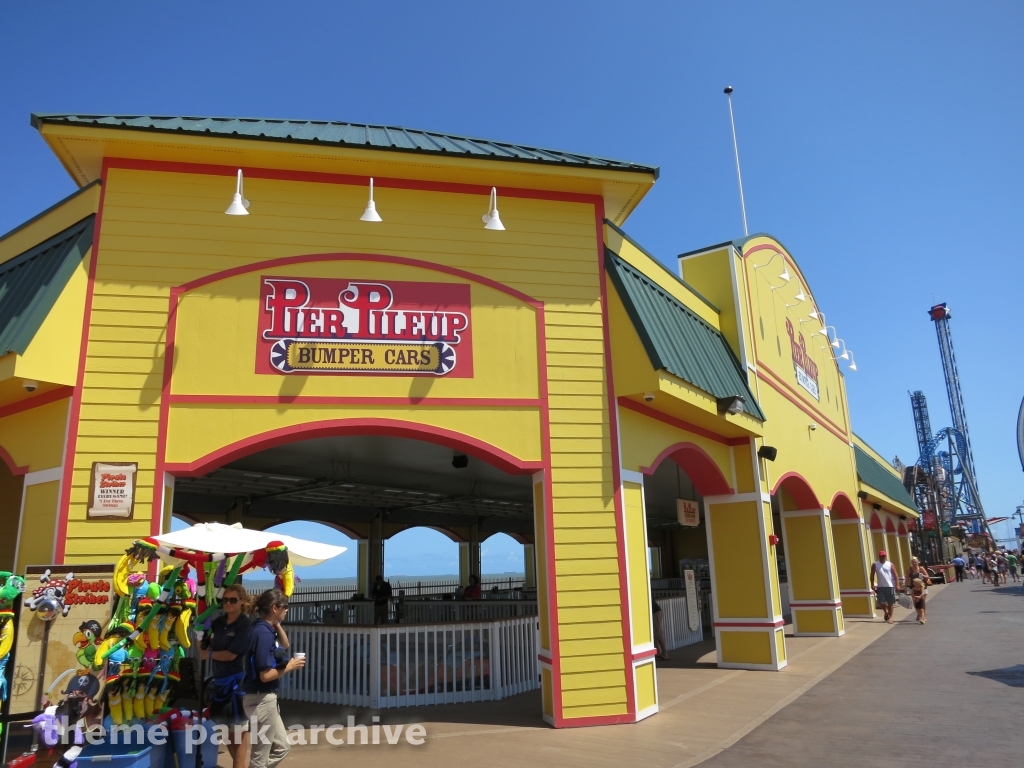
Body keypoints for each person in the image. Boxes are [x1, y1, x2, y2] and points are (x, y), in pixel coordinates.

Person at [243, 590, 305, 768]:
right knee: (260, 756)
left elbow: (285, 644)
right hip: (261, 699)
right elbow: (265, 675)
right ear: (274, 608)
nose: (287, 610)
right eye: (284, 607)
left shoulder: (264, 627)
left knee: (282, 747)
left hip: (263, 698)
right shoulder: (263, 634)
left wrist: (277, 623)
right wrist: (289, 666)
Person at [203, 584, 254, 768]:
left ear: (241, 601)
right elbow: (208, 641)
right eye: (225, 600)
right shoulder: (218, 622)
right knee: (224, 729)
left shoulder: (245, 625)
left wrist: (209, 655)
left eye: (233, 600)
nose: (228, 603)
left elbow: (232, 654)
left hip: (237, 683)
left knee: (238, 731)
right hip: (219, 683)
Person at [871, 550, 898, 624]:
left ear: (885, 556)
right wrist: (872, 583)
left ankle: (891, 617)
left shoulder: (890, 564)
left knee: (890, 602)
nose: (883, 557)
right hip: (880, 586)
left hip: (890, 586)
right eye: (881, 556)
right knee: (880, 601)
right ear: (879, 556)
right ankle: (886, 611)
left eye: (884, 556)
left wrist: (897, 584)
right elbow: (872, 574)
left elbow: (895, 574)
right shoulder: (875, 564)